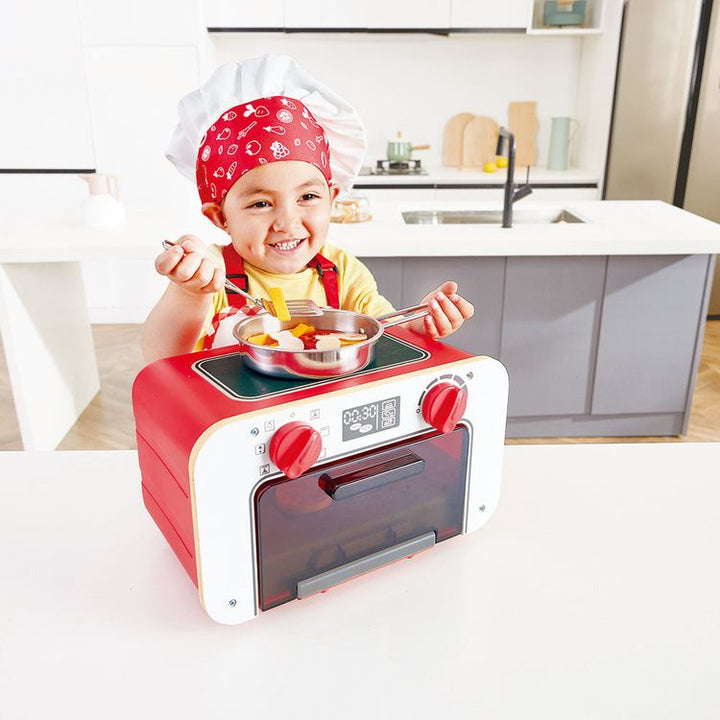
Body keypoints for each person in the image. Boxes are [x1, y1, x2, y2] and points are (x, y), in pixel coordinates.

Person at [141, 55, 473, 364]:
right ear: (221, 217)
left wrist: (414, 326)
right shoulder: (213, 273)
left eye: (308, 197)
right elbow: (161, 358)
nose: (287, 222)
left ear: (332, 198)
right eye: (261, 203)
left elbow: (382, 331)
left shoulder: (343, 272)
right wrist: (189, 293)